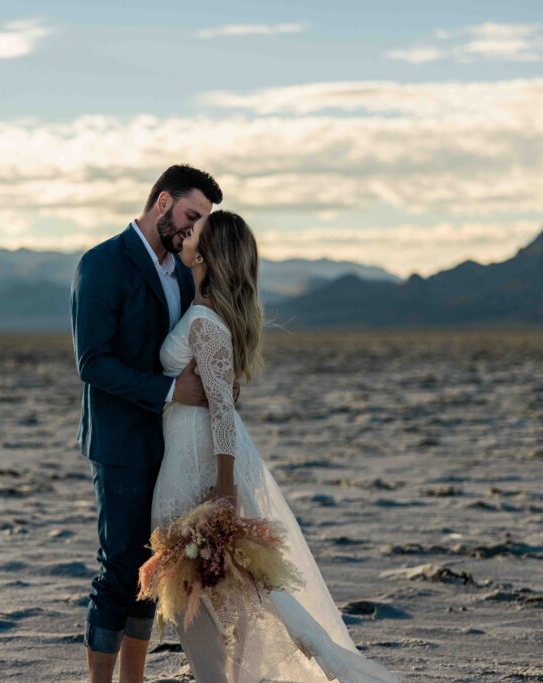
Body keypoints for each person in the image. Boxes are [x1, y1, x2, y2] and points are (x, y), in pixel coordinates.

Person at [152, 210, 406, 682]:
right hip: (189, 460)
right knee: (221, 603)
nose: (187, 234)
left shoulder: (205, 321)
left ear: (207, 254)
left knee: (226, 605)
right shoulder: (204, 313)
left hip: (199, 472)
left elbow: (222, 412)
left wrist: (223, 488)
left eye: (196, 233)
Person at [70, 164, 229, 683]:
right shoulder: (102, 263)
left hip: (174, 442)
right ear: (162, 201)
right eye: (189, 215)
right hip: (120, 443)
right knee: (118, 569)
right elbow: (92, 361)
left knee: (152, 568)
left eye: (201, 221)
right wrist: (170, 390)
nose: (193, 229)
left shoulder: (183, 271)